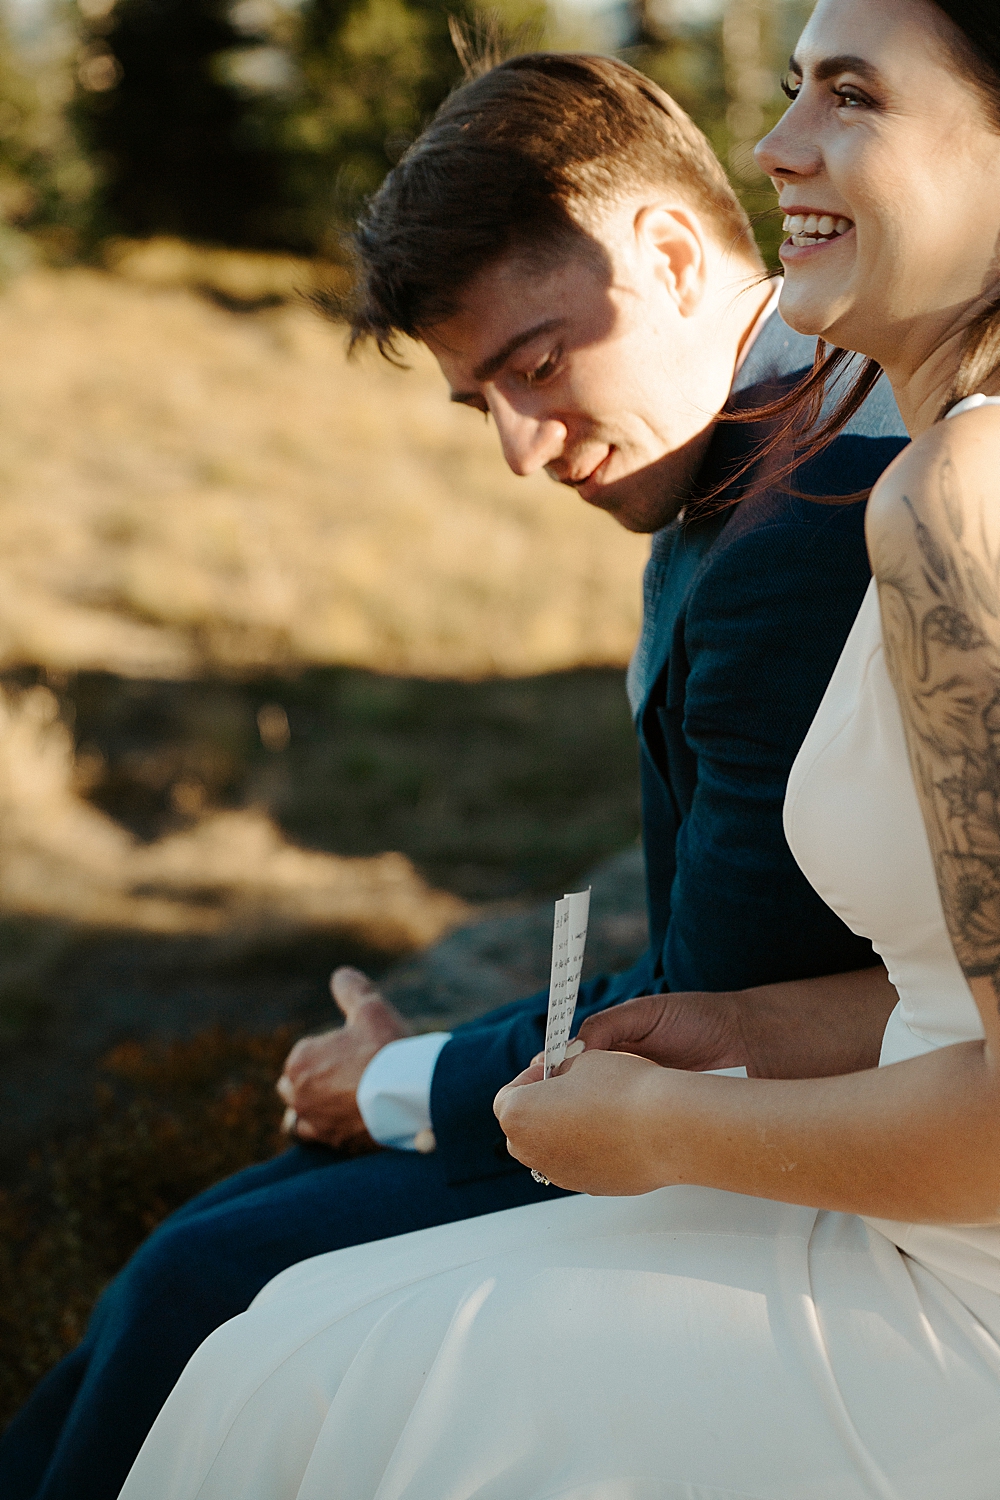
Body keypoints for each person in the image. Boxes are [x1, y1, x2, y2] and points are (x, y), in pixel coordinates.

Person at [109, 0, 1000, 1495]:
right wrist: (743, 1040)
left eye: (849, 92)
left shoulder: (922, 507)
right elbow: (942, 995)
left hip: (952, 1301)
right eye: (787, 88)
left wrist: (630, 1114)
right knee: (272, 1322)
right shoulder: (888, 461)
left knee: (271, 1350)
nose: (774, 143)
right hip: (890, 1164)